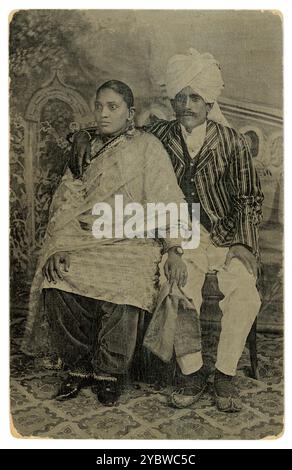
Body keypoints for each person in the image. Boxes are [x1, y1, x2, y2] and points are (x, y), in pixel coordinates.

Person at [68, 50, 264, 412]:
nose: (186, 105)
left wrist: (245, 244)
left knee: (245, 292)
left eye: (194, 98)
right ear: (172, 100)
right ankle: (191, 374)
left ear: (209, 101)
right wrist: (83, 135)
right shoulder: (159, 134)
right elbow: (119, 129)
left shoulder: (231, 141)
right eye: (180, 97)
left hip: (225, 236)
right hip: (181, 232)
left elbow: (250, 198)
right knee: (178, 285)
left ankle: (225, 376)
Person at [21, 80, 189, 407]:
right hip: (85, 238)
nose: (103, 113)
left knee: (126, 280)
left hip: (133, 239)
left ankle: (109, 371)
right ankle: (79, 365)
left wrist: (174, 248)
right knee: (57, 277)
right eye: (99, 106)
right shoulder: (86, 149)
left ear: (130, 113)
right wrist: (59, 247)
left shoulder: (147, 147)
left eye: (113, 107)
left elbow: (168, 200)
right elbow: (66, 204)